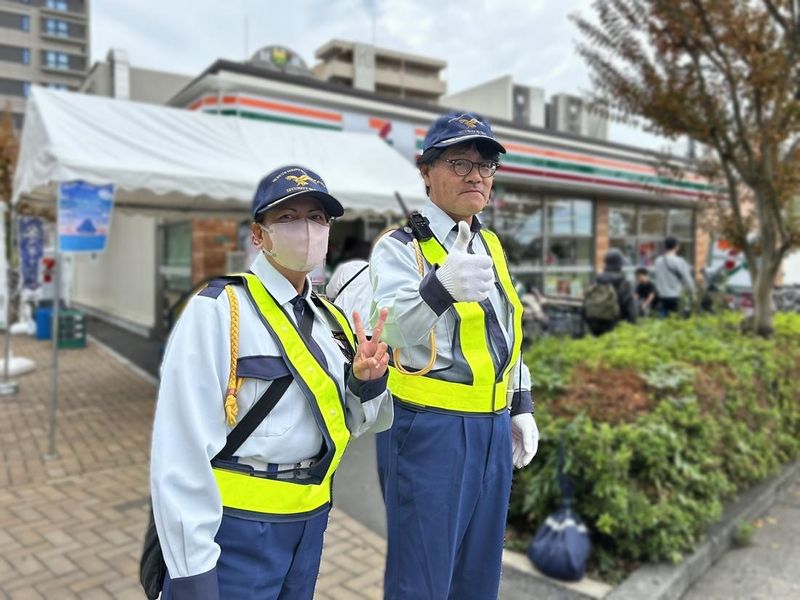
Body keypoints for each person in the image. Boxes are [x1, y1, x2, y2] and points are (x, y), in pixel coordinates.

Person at [150, 165, 393, 600]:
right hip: (234, 533)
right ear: (258, 235)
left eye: (317, 218)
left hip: (309, 525)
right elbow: (179, 453)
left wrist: (365, 383)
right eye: (287, 217)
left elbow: (354, 425)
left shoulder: (331, 322)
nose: (306, 229)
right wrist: (192, 575)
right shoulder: (220, 311)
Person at [369, 112, 538, 599]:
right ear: (426, 171)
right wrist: (438, 289)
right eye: (460, 162)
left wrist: (520, 404)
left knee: (478, 575)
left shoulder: (490, 244)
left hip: (490, 428)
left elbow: (506, 333)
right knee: (421, 578)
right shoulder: (398, 248)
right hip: (428, 430)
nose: (476, 176)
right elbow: (390, 331)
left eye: (486, 167)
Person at [584, 248, 637, 336]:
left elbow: (586, 303)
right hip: (616, 326)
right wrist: (632, 327)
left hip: (595, 326)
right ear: (620, 264)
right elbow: (630, 309)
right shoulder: (623, 282)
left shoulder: (596, 280)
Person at [652, 236, 696, 317]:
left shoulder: (657, 261)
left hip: (662, 297)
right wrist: (693, 294)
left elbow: (655, 278)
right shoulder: (679, 261)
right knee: (680, 321)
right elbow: (688, 279)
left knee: (665, 322)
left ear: (665, 246)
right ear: (676, 246)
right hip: (676, 296)